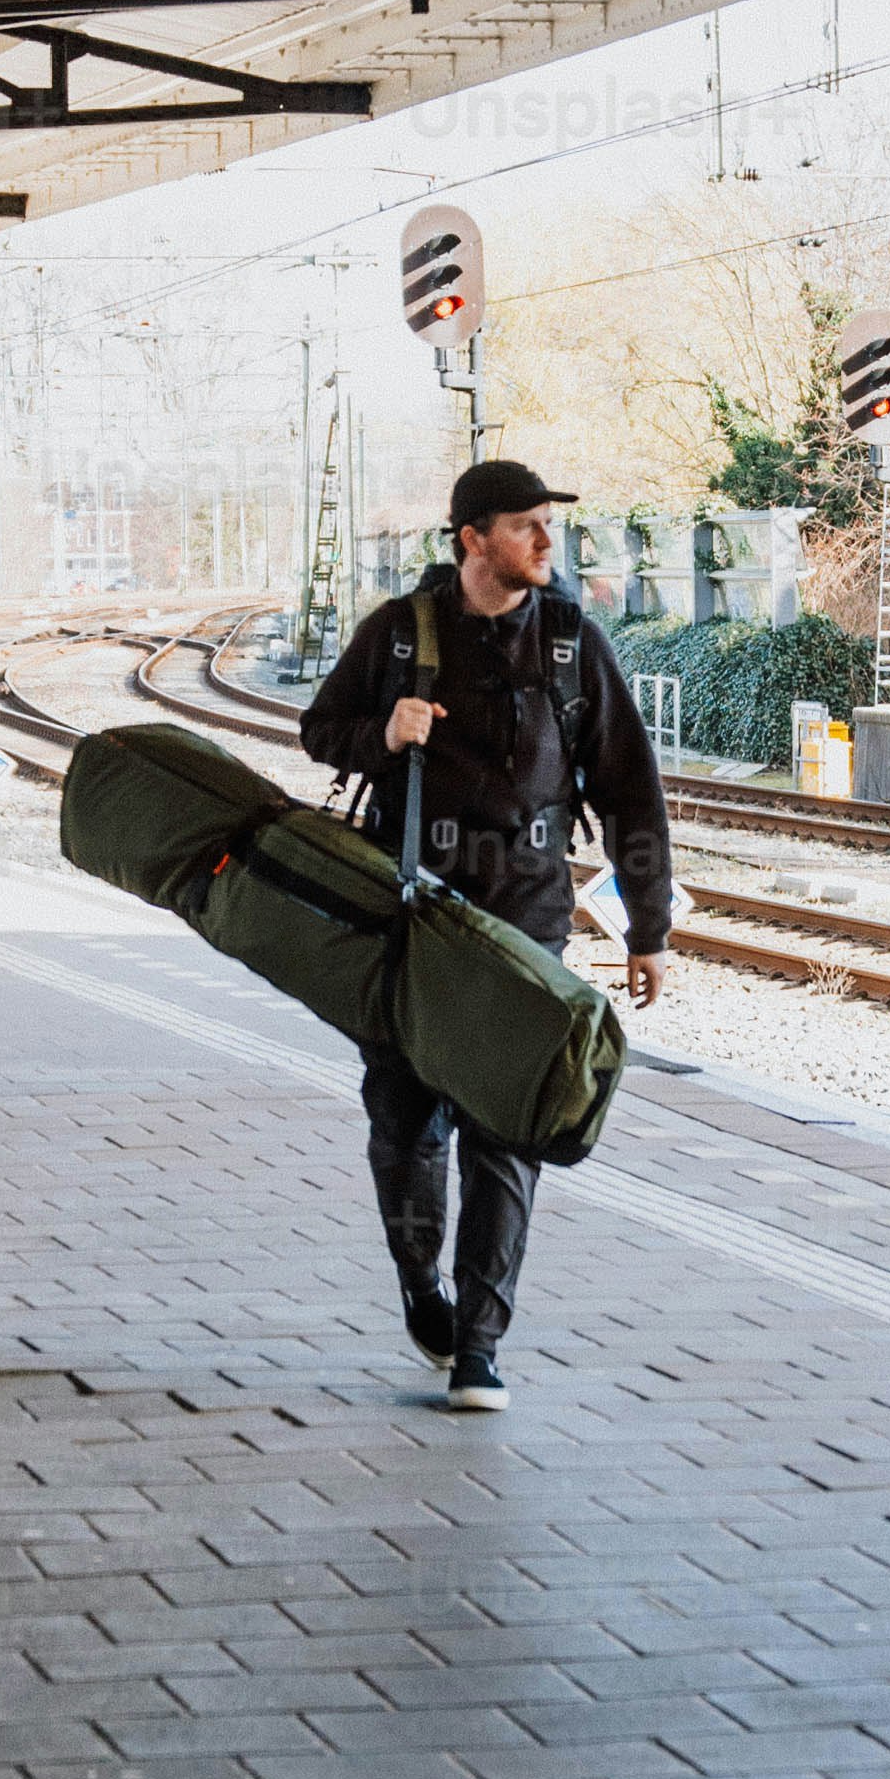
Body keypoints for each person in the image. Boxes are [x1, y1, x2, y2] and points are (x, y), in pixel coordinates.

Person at [300, 460, 673, 1412]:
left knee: (506, 1125)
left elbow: (629, 786)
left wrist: (648, 926)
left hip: (526, 912)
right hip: (409, 908)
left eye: (550, 525)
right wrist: (383, 734)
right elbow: (319, 732)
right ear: (472, 538)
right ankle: (421, 1283)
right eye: (526, 526)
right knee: (403, 1117)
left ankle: (480, 1341)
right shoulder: (396, 637)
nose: (547, 542)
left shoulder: (569, 643)